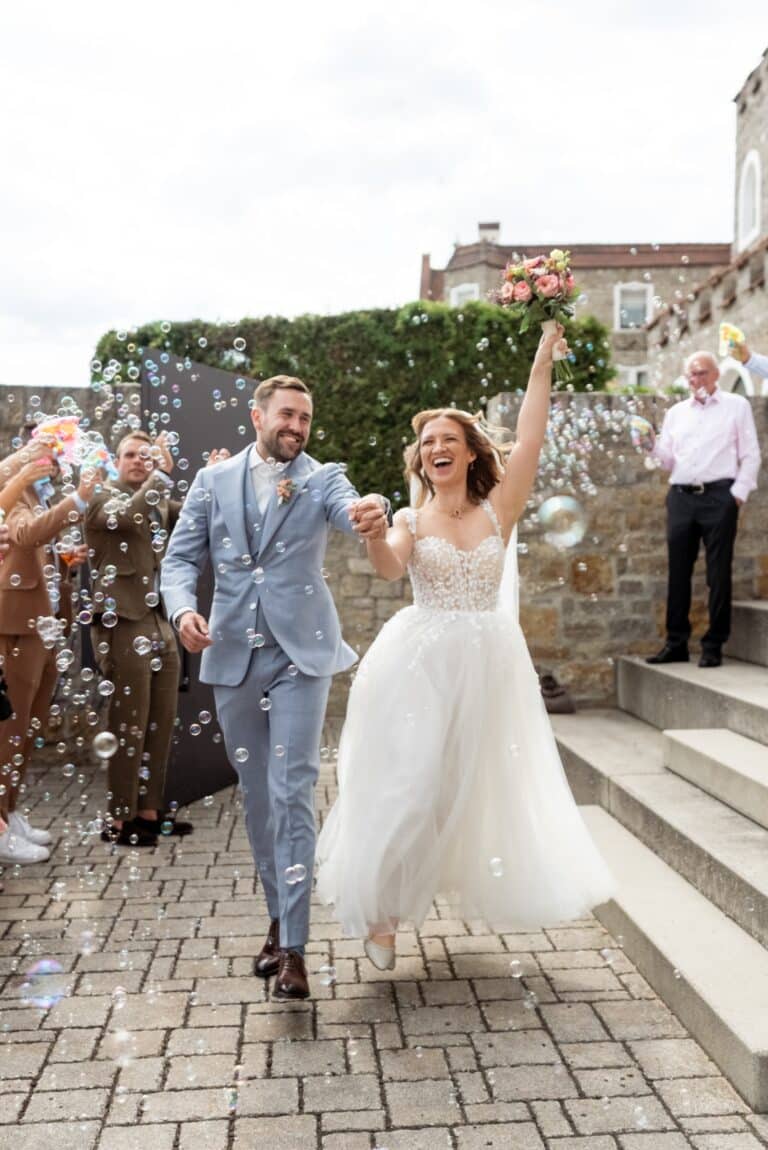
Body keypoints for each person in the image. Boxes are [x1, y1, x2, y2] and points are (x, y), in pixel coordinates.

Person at [315, 326, 616, 971]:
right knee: (410, 784)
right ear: (420, 460)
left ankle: (430, 888)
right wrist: (371, 535)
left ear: (471, 454)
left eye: (449, 440)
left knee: (463, 792)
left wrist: (542, 360)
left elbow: (531, 436)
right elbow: (392, 570)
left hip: (487, 664)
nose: (437, 448)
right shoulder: (407, 518)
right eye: (428, 443)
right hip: (418, 662)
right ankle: (383, 916)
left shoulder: (499, 509)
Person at [161, 375, 389, 1000]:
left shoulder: (322, 477)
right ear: (258, 415)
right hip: (231, 653)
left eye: (306, 419)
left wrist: (371, 511)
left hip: (301, 654)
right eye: (287, 415)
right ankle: (278, 913)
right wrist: (183, 611)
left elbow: (352, 510)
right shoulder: (211, 483)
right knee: (258, 796)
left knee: (292, 788)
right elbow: (179, 562)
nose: (297, 427)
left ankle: (293, 948)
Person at [86, 430, 189, 848]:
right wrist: (161, 476)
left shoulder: (157, 499)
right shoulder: (99, 497)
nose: (139, 461)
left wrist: (212, 479)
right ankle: (118, 818)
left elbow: (196, 516)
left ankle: (148, 810)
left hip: (158, 618)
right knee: (127, 722)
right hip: (122, 620)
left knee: (160, 719)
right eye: (131, 454)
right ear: (116, 459)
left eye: (146, 456)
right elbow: (126, 516)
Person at [0, 448, 95, 863]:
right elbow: (25, 535)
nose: (53, 467)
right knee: (9, 730)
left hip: (45, 625)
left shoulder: (35, 498)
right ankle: (0, 825)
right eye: (47, 460)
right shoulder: (15, 496)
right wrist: (77, 500)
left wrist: (65, 563)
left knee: (29, 727)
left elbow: (38, 550)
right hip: (16, 626)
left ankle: (11, 810)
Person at [645, 351, 761, 668]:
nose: (695, 379)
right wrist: (650, 445)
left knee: (718, 573)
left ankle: (714, 645)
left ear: (716, 374)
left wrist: (735, 495)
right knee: (678, 572)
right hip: (681, 495)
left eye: (701, 373)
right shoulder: (677, 413)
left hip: (719, 497)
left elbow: (751, 454)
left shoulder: (736, 407)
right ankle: (676, 642)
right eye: (691, 374)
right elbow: (667, 460)